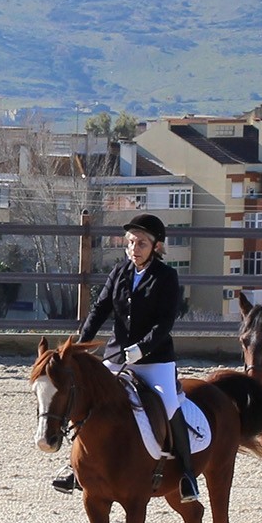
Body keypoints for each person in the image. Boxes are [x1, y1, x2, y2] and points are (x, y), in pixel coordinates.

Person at [53, 214, 197, 501]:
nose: (135, 248)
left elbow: (165, 322)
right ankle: (75, 468)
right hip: (118, 355)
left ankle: (187, 474)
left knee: (169, 404)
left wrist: (142, 348)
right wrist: (80, 345)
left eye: (141, 243)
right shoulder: (119, 272)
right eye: (131, 242)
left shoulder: (166, 276)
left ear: (156, 246)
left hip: (154, 359)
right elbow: (99, 309)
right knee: (87, 397)